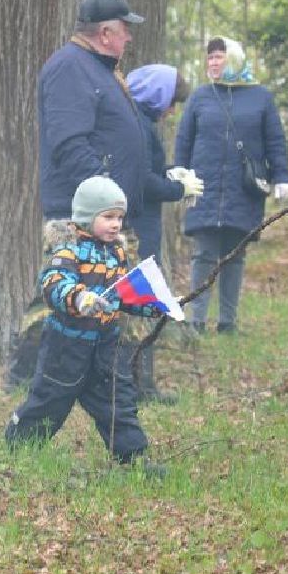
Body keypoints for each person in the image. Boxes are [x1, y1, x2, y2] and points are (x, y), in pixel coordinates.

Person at [6, 0, 152, 388]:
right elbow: (69, 143)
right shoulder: (70, 69)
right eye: (125, 29)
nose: (129, 38)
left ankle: (131, 380)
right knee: (59, 293)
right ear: (105, 32)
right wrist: (106, 199)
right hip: (78, 216)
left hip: (105, 214)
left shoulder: (98, 68)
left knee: (118, 291)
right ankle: (23, 377)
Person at [3, 176, 158, 473]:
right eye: (108, 217)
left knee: (118, 400)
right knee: (50, 399)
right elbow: (54, 284)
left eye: (119, 218)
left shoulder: (117, 254)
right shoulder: (67, 251)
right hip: (67, 347)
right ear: (87, 217)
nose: (115, 224)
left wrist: (153, 305)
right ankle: (17, 449)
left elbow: (123, 293)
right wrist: (79, 298)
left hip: (106, 345)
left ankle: (134, 459)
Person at [174, 37, 288, 335]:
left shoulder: (261, 97)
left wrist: (282, 177)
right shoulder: (199, 97)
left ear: (235, 59)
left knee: (235, 255)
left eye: (220, 57)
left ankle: (228, 323)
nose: (213, 63)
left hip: (244, 190)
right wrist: (180, 174)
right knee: (204, 252)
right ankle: (196, 321)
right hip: (205, 187)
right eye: (210, 57)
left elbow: (275, 140)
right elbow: (184, 140)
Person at [122, 63, 201, 403]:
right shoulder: (137, 125)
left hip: (143, 224)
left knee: (145, 302)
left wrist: (173, 174)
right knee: (142, 303)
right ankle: (140, 386)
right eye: (171, 102)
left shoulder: (140, 121)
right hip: (139, 225)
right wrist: (177, 189)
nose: (172, 111)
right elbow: (141, 181)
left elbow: (151, 172)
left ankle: (142, 383)